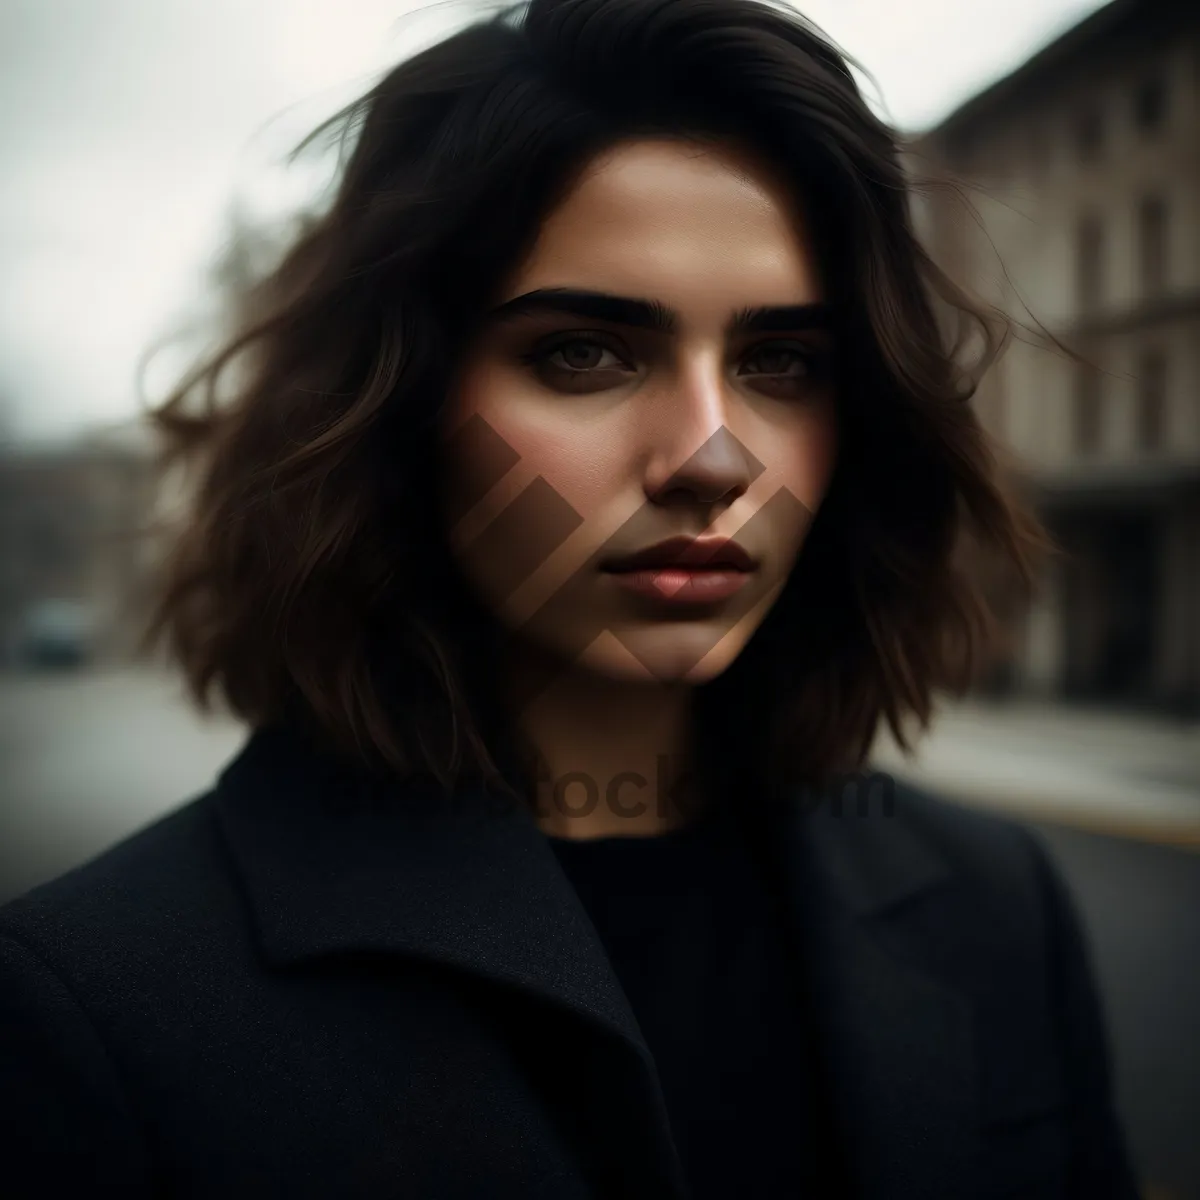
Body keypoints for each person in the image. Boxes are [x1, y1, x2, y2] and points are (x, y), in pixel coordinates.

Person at [0, 0, 1142, 1196]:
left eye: (781, 363)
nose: (712, 458)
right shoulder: (95, 1003)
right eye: (585, 353)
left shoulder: (997, 905)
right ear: (397, 409)